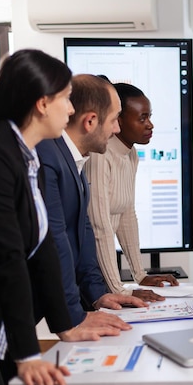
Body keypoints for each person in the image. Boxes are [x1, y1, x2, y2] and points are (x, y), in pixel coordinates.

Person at [0, 49, 113, 385]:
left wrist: (67, 324)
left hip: (1, 329)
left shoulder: (26, 155)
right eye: (65, 99)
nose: (72, 109)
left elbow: (44, 245)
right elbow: (7, 257)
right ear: (42, 103)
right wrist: (29, 352)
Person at [37, 74, 147, 330]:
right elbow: (56, 244)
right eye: (113, 121)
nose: (116, 130)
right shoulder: (49, 159)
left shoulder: (74, 161)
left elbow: (83, 233)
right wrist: (71, 319)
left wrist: (98, 295)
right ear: (90, 121)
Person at [84, 82, 178, 300]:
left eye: (149, 116)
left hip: (103, 271)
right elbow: (100, 226)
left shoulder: (131, 154)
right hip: (89, 271)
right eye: (142, 118)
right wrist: (118, 289)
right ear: (118, 120)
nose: (150, 125)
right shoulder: (99, 156)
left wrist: (140, 274)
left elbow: (126, 215)